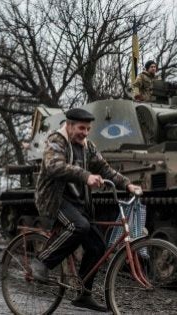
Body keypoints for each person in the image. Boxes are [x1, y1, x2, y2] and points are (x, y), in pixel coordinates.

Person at [33, 107, 141, 312]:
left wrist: (127, 184)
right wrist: (86, 176)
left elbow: (105, 168)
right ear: (69, 125)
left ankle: (83, 295)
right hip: (55, 200)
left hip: (78, 202)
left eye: (88, 129)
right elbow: (54, 166)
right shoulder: (56, 141)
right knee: (79, 225)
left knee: (98, 247)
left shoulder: (88, 147)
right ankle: (42, 261)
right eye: (81, 128)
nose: (85, 132)